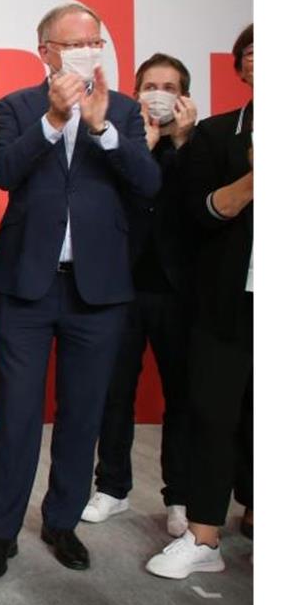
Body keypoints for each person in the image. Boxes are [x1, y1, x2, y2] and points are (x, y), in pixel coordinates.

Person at [0, 3, 160, 580]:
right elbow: (4, 172)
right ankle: (1, 533)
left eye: (95, 41)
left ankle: (62, 522)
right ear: (46, 52)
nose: (88, 50)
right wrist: (54, 121)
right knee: (18, 417)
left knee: (83, 415)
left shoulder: (124, 111)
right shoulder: (18, 107)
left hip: (98, 293)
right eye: (74, 42)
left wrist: (102, 130)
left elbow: (149, 183)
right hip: (27, 289)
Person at [145, 24, 254, 579]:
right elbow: (201, 212)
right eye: (253, 54)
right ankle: (204, 535)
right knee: (212, 413)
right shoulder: (217, 135)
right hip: (225, 300)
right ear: (239, 67)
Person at [82, 53, 199, 537]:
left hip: (180, 291)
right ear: (134, 91)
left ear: (184, 96)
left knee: (184, 398)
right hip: (122, 286)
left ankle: (181, 497)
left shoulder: (201, 144)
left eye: (169, 86)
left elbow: (202, 208)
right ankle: (112, 487)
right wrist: (140, 150)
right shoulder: (119, 138)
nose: (159, 93)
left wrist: (182, 144)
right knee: (115, 393)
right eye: (150, 84)